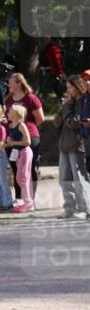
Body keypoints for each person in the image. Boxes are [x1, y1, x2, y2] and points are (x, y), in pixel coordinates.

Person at [6, 73, 44, 204]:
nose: (8, 85)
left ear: (19, 83)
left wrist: (25, 130)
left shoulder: (31, 98)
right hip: (13, 138)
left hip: (30, 137)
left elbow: (40, 118)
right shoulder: (9, 99)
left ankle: (30, 199)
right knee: (16, 168)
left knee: (29, 167)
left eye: (11, 82)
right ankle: (19, 198)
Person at [55, 75, 90, 219]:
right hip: (64, 144)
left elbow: (74, 123)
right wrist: (63, 108)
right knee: (64, 178)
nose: (68, 90)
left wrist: (66, 109)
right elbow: (57, 122)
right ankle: (69, 208)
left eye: (70, 87)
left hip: (77, 144)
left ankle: (84, 208)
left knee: (79, 178)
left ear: (77, 87)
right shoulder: (69, 103)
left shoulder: (83, 102)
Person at [5, 104, 34, 213]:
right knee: (19, 177)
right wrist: (4, 144)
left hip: (25, 152)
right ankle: (27, 202)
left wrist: (13, 142)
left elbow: (28, 141)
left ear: (16, 113)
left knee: (23, 177)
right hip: (18, 153)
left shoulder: (21, 125)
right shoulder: (11, 126)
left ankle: (28, 203)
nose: (8, 113)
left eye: (10, 111)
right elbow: (10, 142)